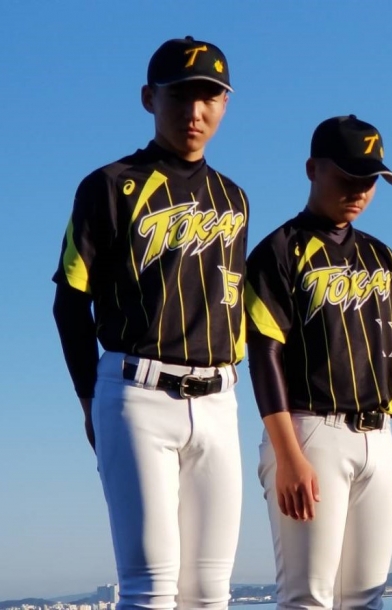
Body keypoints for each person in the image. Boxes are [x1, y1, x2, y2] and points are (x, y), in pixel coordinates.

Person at [52, 36, 248, 610]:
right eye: (179, 96)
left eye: (209, 97)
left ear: (226, 103)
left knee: (210, 593)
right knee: (149, 590)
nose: (195, 111)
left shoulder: (234, 199)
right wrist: (90, 402)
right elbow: (70, 301)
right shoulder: (109, 185)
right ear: (148, 98)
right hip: (137, 394)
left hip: (219, 399)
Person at [245, 114, 392, 610]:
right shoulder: (278, 251)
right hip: (309, 432)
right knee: (308, 598)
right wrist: (287, 455)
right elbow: (263, 355)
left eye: (370, 179)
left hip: (379, 437)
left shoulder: (384, 258)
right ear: (313, 169)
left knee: (366, 600)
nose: (359, 190)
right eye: (347, 175)